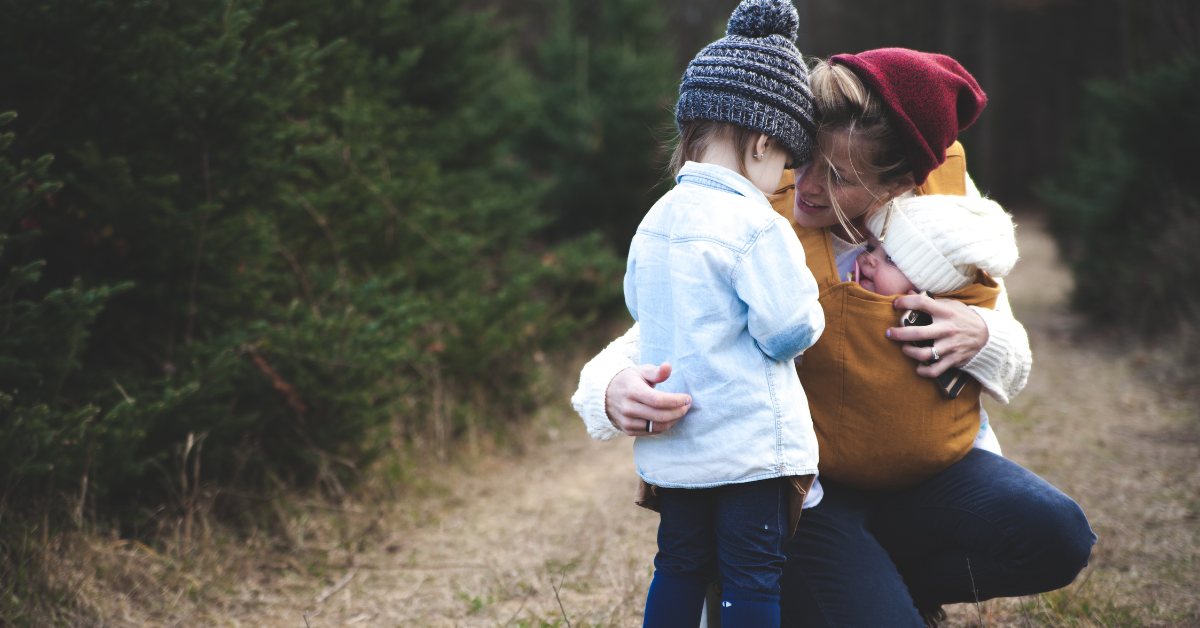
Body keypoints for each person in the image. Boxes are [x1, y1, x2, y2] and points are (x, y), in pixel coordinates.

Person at [573, 48, 1096, 627]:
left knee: (1058, 535)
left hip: (927, 479)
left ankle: (884, 583)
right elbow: (666, 322)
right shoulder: (756, 213)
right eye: (805, 160)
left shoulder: (945, 219)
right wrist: (608, 387)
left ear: (900, 183)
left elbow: (1014, 359)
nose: (808, 186)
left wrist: (983, 335)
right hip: (809, 494)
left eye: (840, 178)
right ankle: (841, 588)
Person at [628, 2, 823, 626]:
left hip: (678, 448)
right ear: (763, 142)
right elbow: (789, 329)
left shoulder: (655, 220)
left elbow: (639, 306)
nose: (783, 177)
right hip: (747, 447)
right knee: (752, 574)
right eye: (785, 160)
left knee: (680, 563)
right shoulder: (755, 224)